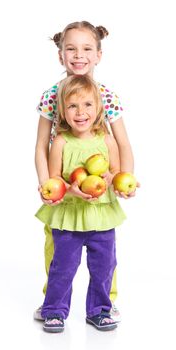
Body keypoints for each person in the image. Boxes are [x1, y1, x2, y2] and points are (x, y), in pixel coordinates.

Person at [34, 20, 137, 323]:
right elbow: (41, 145)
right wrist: (47, 185)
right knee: (57, 251)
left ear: (98, 55)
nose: (79, 55)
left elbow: (122, 143)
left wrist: (122, 180)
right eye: (71, 49)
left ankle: (106, 303)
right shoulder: (52, 96)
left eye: (87, 48)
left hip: (99, 187)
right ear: (60, 55)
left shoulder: (106, 96)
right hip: (63, 186)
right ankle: (53, 302)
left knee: (104, 252)